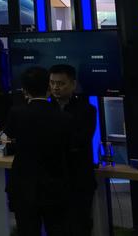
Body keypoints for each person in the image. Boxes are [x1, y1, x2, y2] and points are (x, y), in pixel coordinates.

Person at [5, 67, 72, 236]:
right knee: (57, 229)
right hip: (55, 186)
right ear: (48, 87)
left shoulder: (17, 113)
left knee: (27, 229)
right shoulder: (64, 117)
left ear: (24, 90)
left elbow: (10, 134)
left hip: (23, 185)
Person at [50, 64, 98, 236]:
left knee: (79, 225)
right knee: (55, 227)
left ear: (73, 84)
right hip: (52, 181)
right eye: (52, 83)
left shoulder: (87, 110)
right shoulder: (45, 110)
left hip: (78, 179)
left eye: (61, 83)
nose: (56, 87)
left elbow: (81, 140)